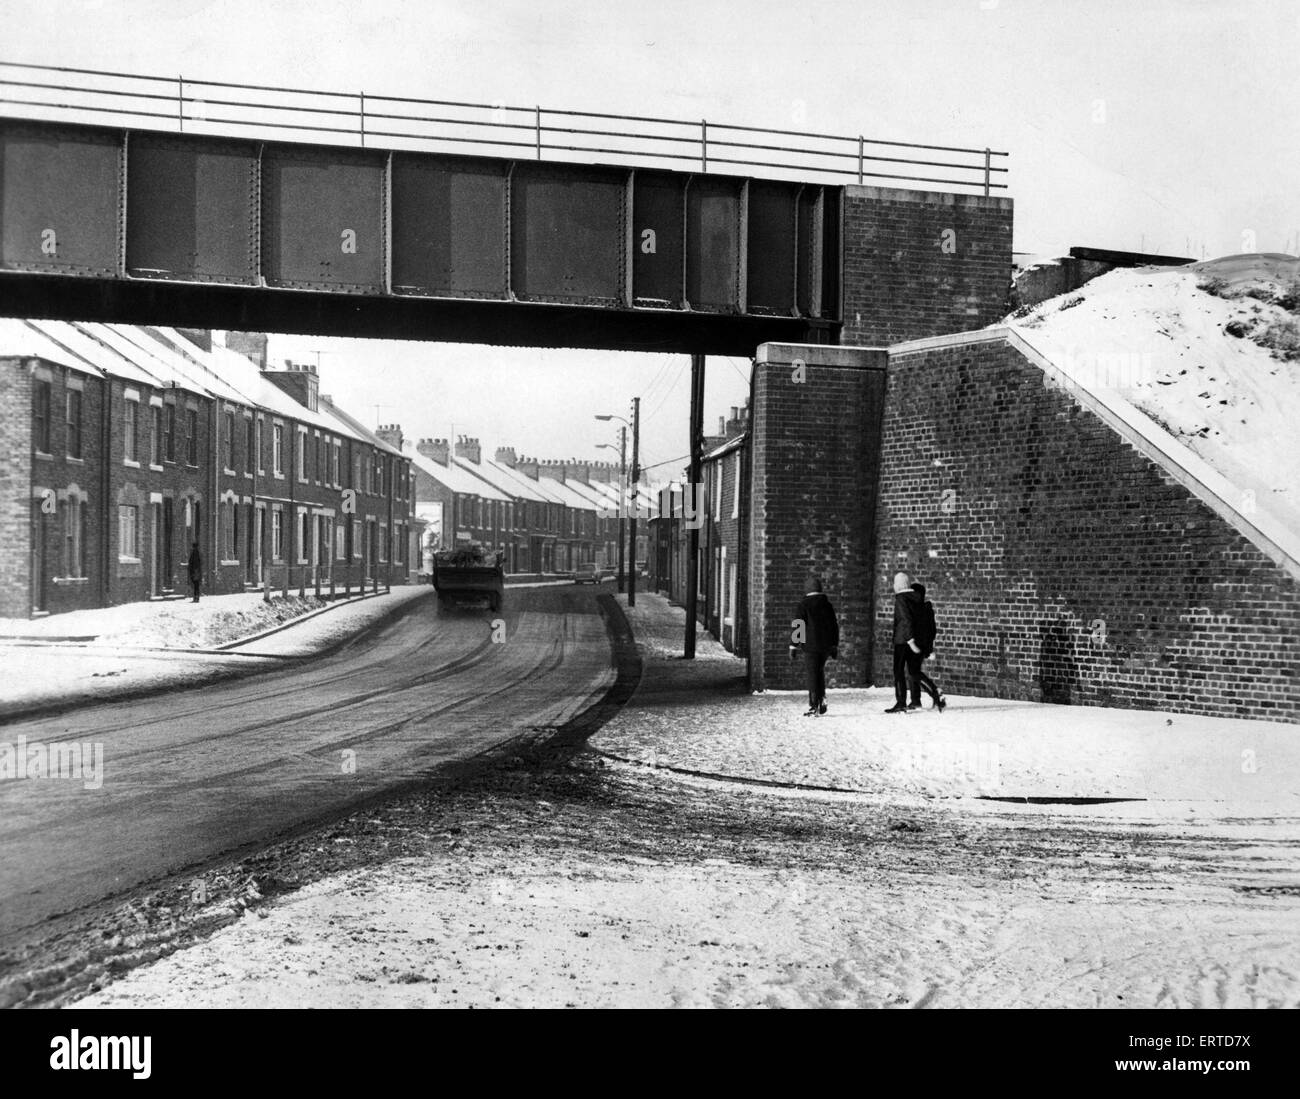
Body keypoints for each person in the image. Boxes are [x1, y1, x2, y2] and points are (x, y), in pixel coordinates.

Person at [791, 578, 839, 717]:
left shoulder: (804, 605)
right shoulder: (827, 605)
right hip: (825, 646)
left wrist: (793, 646)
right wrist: (834, 645)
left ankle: (813, 705)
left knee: (812, 674)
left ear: (807, 589)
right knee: (819, 672)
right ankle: (822, 698)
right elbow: (834, 626)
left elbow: (798, 626)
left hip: (811, 646)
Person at [886, 571, 922, 713]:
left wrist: (909, 640)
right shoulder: (916, 598)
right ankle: (916, 699)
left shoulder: (901, 599)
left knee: (898, 671)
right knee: (913, 671)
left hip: (903, 640)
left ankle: (901, 702)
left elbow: (905, 620)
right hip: (913, 639)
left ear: (899, 585)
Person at [907, 582, 945, 712]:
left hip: (917, 645)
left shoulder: (917, 609)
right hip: (921, 645)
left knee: (913, 672)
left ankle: (934, 692)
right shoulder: (926, 609)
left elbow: (923, 630)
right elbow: (932, 630)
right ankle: (915, 701)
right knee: (913, 671)